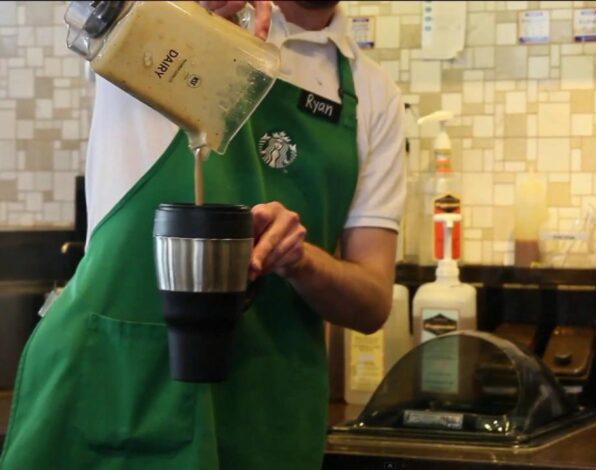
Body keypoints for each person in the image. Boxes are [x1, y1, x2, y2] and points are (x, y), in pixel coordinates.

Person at [0, 1, 405, 468]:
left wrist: (300, 259)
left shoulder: (371, 93)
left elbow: (372, 300)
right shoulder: (171, 17)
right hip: (117, 389)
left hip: (262, 413)